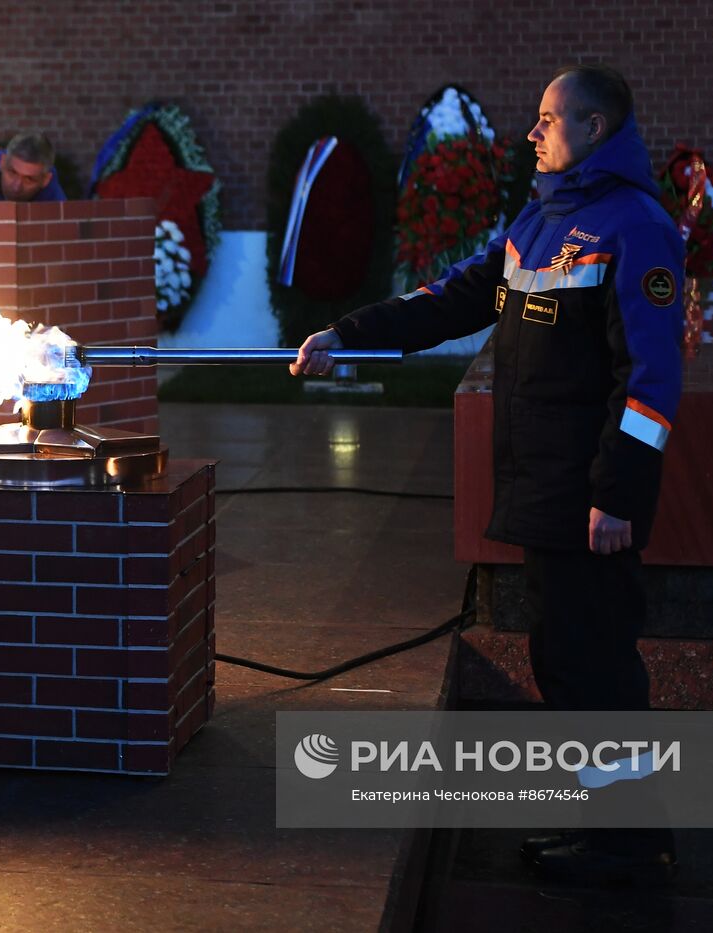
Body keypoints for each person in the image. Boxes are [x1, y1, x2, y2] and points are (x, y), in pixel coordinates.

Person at [291, 64, 684, 885]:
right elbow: (450, 298)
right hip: (544, 488)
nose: (532, 133)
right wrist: (347, 334)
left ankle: (630, 845)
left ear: (597, 129)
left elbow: (649, 377)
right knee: (566, 661)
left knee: (599, 668)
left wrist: (618, 493)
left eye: (548, 119)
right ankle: (604, 828)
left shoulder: (635, 226)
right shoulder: (540, 223)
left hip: (588, 496)